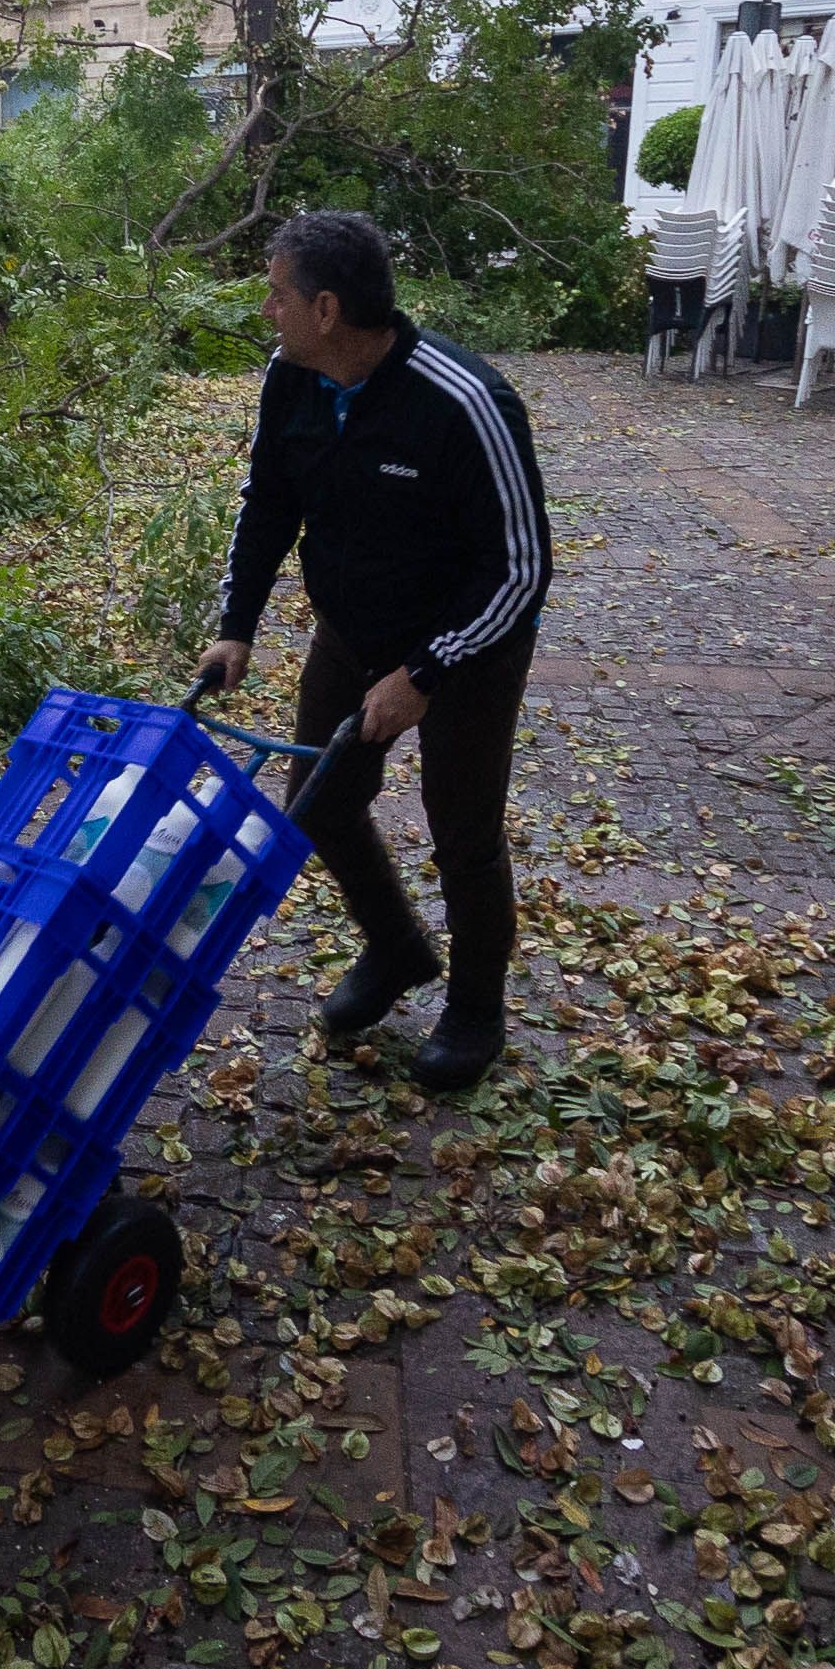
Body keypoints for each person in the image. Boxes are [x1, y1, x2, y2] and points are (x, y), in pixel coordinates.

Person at [196, 210, 551, 1092]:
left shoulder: (463, 402)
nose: (266, 311)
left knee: (463, 833)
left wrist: (427, 673)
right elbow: (268, 502)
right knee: (319, 804)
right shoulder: (292, 380)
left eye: (276, 295)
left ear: (326, 307)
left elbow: (522, 567)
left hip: (468, 648)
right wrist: (237, 621)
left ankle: (475, 1005)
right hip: (351, 634)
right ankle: (397, 950)